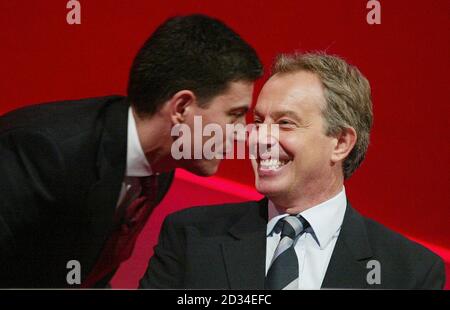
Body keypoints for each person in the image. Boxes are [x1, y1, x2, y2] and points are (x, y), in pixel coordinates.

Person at [139, 52, 445, 289]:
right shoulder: (191, 237)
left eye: (285, 123)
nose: (259, 138)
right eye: (258, 122)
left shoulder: (409, 272)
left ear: (340, 142)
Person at [0, 14, 263, 288]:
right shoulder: (42, 154)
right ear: (182, 108)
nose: (241, 132)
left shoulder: (160, 170)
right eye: (234, 114)